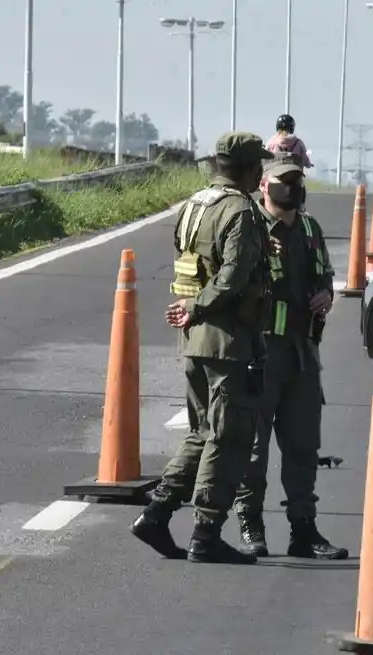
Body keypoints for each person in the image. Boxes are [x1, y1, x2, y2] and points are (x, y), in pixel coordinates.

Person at [130, 131, 274, 565]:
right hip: (228, 340)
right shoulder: (242, 213)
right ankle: (206, 531)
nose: (263, 172)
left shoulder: (194, 205)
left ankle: (156, 514)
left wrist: (192, 308)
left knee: (201, 433)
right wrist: (200, 305)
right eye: (259, 165)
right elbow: (231, 276)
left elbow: (190, 264)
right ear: (248, 169)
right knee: (227, 440)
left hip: (194, 338)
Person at [233, 154, 350, 561]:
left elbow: (323, 276)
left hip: (302, 354)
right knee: (253, 447)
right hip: (260, 354)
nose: (292, 189)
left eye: (297, 182)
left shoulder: (310, 229)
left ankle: (304, 529)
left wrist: (326, 295)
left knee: (302, 445)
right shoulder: (248, 228)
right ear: (264, 186)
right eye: (283, 182)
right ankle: (250, 523)